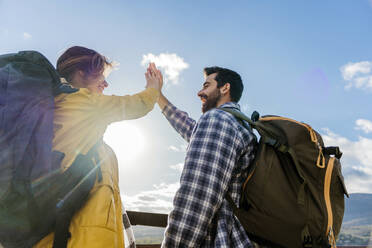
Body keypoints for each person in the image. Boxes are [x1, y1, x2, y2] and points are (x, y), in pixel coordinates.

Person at [34, 46, 162, 248]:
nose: (106, 83)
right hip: (82, 235)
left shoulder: (50, 106)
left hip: (48, 234)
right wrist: (154, 87)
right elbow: (137, 105)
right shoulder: (85, 103)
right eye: (100, 75)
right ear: (80, 73)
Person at [148, 63, 257, 247]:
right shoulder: (239, 125)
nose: (199, 92)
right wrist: (158, 96)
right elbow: (192, 129)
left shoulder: (217, 120)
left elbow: (196, 201)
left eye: (207, 85)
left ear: (225, 87)